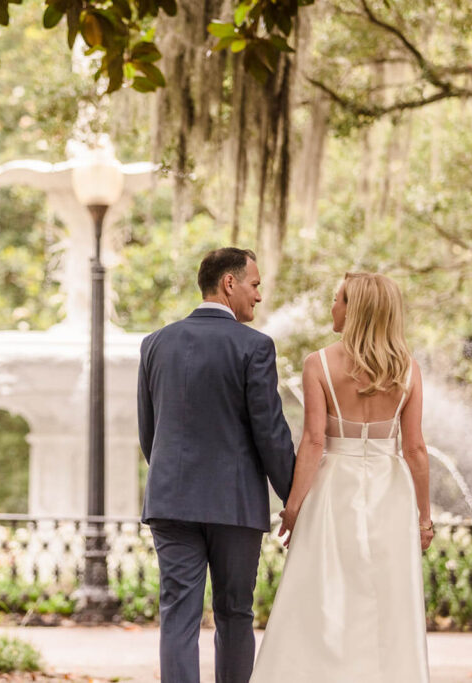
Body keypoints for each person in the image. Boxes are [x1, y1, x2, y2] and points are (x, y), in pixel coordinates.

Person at [250, 272, 432, 682]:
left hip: (333, 487)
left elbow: (314, 441)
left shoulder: (319, 363)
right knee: (386, 595)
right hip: (391, 490)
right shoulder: (407, 368)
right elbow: (415, 448)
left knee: (323, 590)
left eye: (339, 300)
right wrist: (424, 516)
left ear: (356, 310)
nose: (333, 307)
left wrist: (293, 507)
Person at [138, 247, 297, 683]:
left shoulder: (154, 344)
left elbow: (149, 434)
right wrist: (295, 498)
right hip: (234, 504)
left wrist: (174, 480)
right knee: (234, 613)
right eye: (254, 284)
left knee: (177, 615)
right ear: (230, 284)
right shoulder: (255, 347)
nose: (258, 296)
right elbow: (271, 433)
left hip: (171, 502)